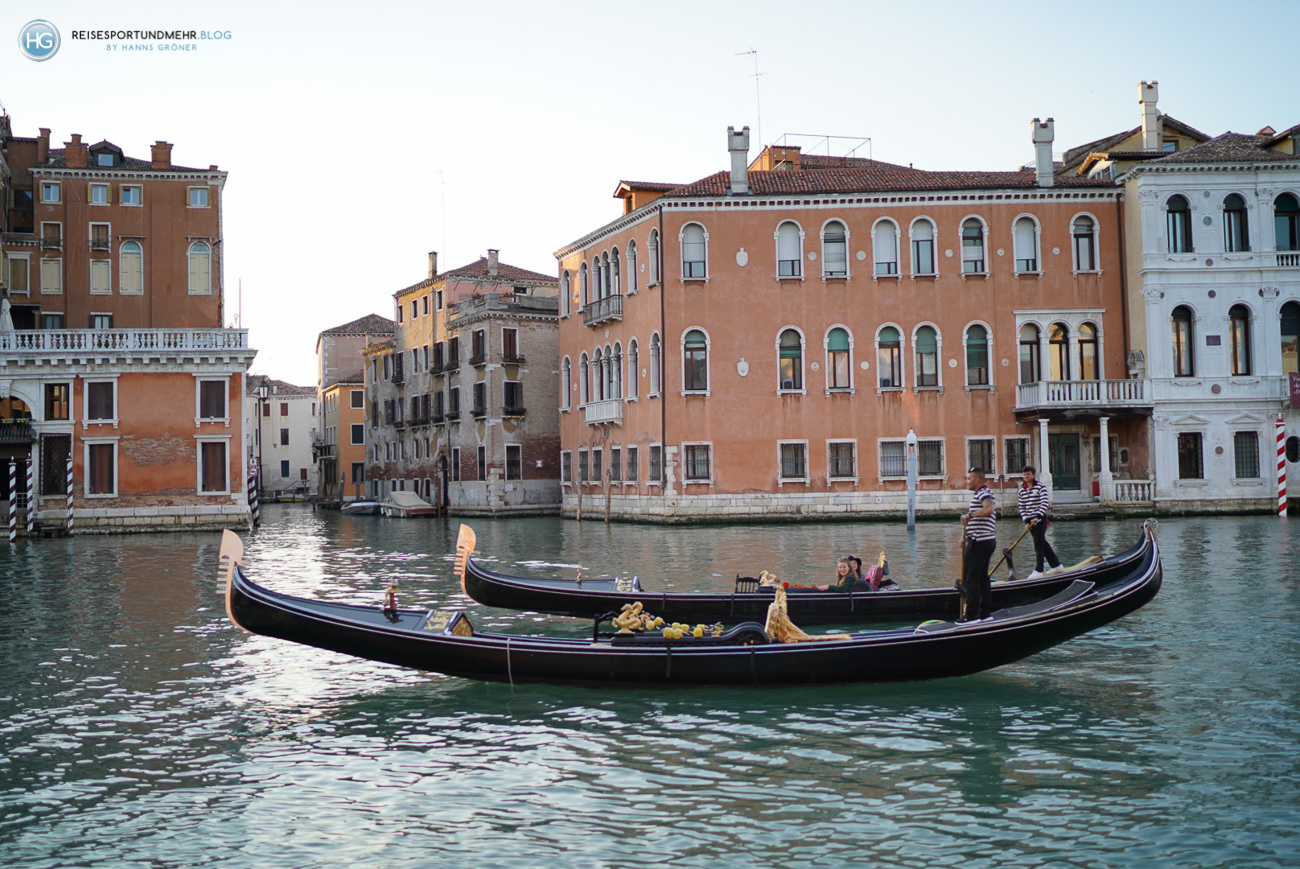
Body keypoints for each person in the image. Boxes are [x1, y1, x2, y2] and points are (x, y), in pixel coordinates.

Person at [958, 467, 996, 622]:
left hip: (979, 543)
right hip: (983, 541)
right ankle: (985, 614)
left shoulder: (984, 493)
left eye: (968, 478)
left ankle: (972, 616)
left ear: (977, 479)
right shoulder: (980, 494)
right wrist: (966, 537)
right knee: (982, 578)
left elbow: (989, 510)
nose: (966, 481)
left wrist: (970, 515)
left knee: (971, 579)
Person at [1018, 465, 1062, 579]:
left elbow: (1044, 503)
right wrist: (1026, 522)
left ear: (1033, 475)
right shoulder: (1021, 490)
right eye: (1024, 474)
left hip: (1040, 520)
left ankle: (1039, 570)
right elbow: (1022, 507)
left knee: (1038, 544)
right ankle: (1057, 565)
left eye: (1028, 474)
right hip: (1030, 521)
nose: (1025, 476)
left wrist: (1037, 516)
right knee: (1042, 543)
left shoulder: (1040, 487)